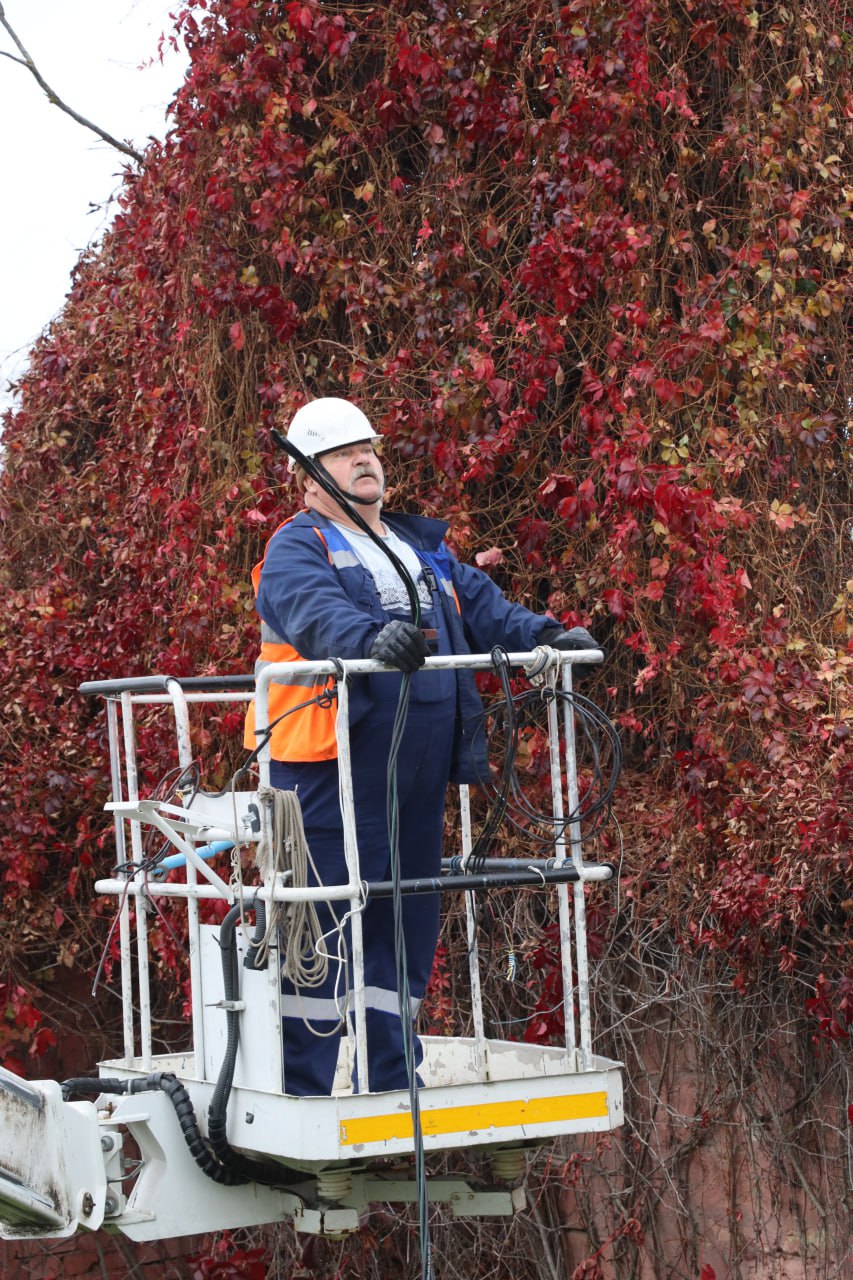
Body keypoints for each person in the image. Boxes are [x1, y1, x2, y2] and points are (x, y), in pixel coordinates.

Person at [244, 397, 600, 1096]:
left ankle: (390, 1074)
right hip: (329, 767)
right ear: (308, 477)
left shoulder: (420, 549)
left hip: (415, 768)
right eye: (345, 452)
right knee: (325, 922)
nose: (364, 459)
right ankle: (304, 1087)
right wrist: (368, 640)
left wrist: (546, 635)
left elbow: (485, 606)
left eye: (368, 447)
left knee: (403, 918)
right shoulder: (297, 545)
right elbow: (313, 613)